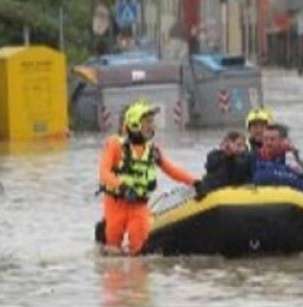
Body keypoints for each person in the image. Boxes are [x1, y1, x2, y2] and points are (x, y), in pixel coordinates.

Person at [97, 100, 197, 254]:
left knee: (140, 251)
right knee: (112, 250)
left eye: (152, 122)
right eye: (148, 122)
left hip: (139, 206)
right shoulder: (115, 144)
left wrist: (196, 182)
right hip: (115, 204)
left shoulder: (153, 150)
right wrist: (122, 187)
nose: (152, 126)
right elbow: (104, 173)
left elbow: (171, 170)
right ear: (135, 123)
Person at [252, 122, 303, 193]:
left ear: (281, 141)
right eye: (265, 139)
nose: (268, 143)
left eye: (272, 139)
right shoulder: (254, 157)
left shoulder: (290, 158)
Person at [195, 130, 254, 198]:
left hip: (235, 190)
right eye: (233, 145)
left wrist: (232, 155)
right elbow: (211, 166)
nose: (235, 148)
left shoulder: (246, 158)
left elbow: (241, 168)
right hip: (214, 189)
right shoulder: (214, 155)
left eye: (239, 145)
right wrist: (227, 155)